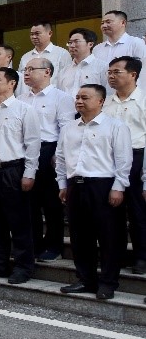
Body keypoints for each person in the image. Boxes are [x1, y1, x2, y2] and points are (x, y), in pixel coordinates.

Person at [56, 84, 132, 300]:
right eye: (77, 97)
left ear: (100, 101)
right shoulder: (69, 128)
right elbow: (61, 158)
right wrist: (62, 184)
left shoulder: (115, 126)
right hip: (75, 186)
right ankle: (86, 280)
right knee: (80, 237)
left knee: (109, 237)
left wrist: (118, 187)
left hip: (103, 186)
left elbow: (123, 160)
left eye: (85, 97)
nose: (79, 101)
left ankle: (108, 283)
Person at [0, 68, 41, 285]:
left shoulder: (24, 109)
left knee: (19, 221)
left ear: (12, 83)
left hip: (12, 170)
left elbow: (32, 144)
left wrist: (29, 172)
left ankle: (23, 267)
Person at [20, 57, 74, 261]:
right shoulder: (22, 99)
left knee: (51, 203)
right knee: (28, 202)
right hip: (24, 151)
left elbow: (66, 129)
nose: (26, 72)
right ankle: (33, 243)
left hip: (48, 150)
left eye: (31, 69)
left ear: (47, 72)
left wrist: (57, 155)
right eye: (25, 69)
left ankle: (54, 245)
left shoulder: (61, 98)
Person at [105, 57, 146, 275]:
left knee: (138, 211)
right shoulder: (107, 102)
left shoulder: (144, 100)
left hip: (138, 158)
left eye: (117, 72)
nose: (111, 76)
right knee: (113, 210)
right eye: (109, 72)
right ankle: (117, 254)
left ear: (133, 74)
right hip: (110, 161)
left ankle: (142, 256)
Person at [58, 28, 108, 97]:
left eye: (76, 42)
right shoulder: (64, 71)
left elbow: (108, 93)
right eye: (70, 42)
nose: (72, 46)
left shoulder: (102, 67)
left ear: (90, 44)